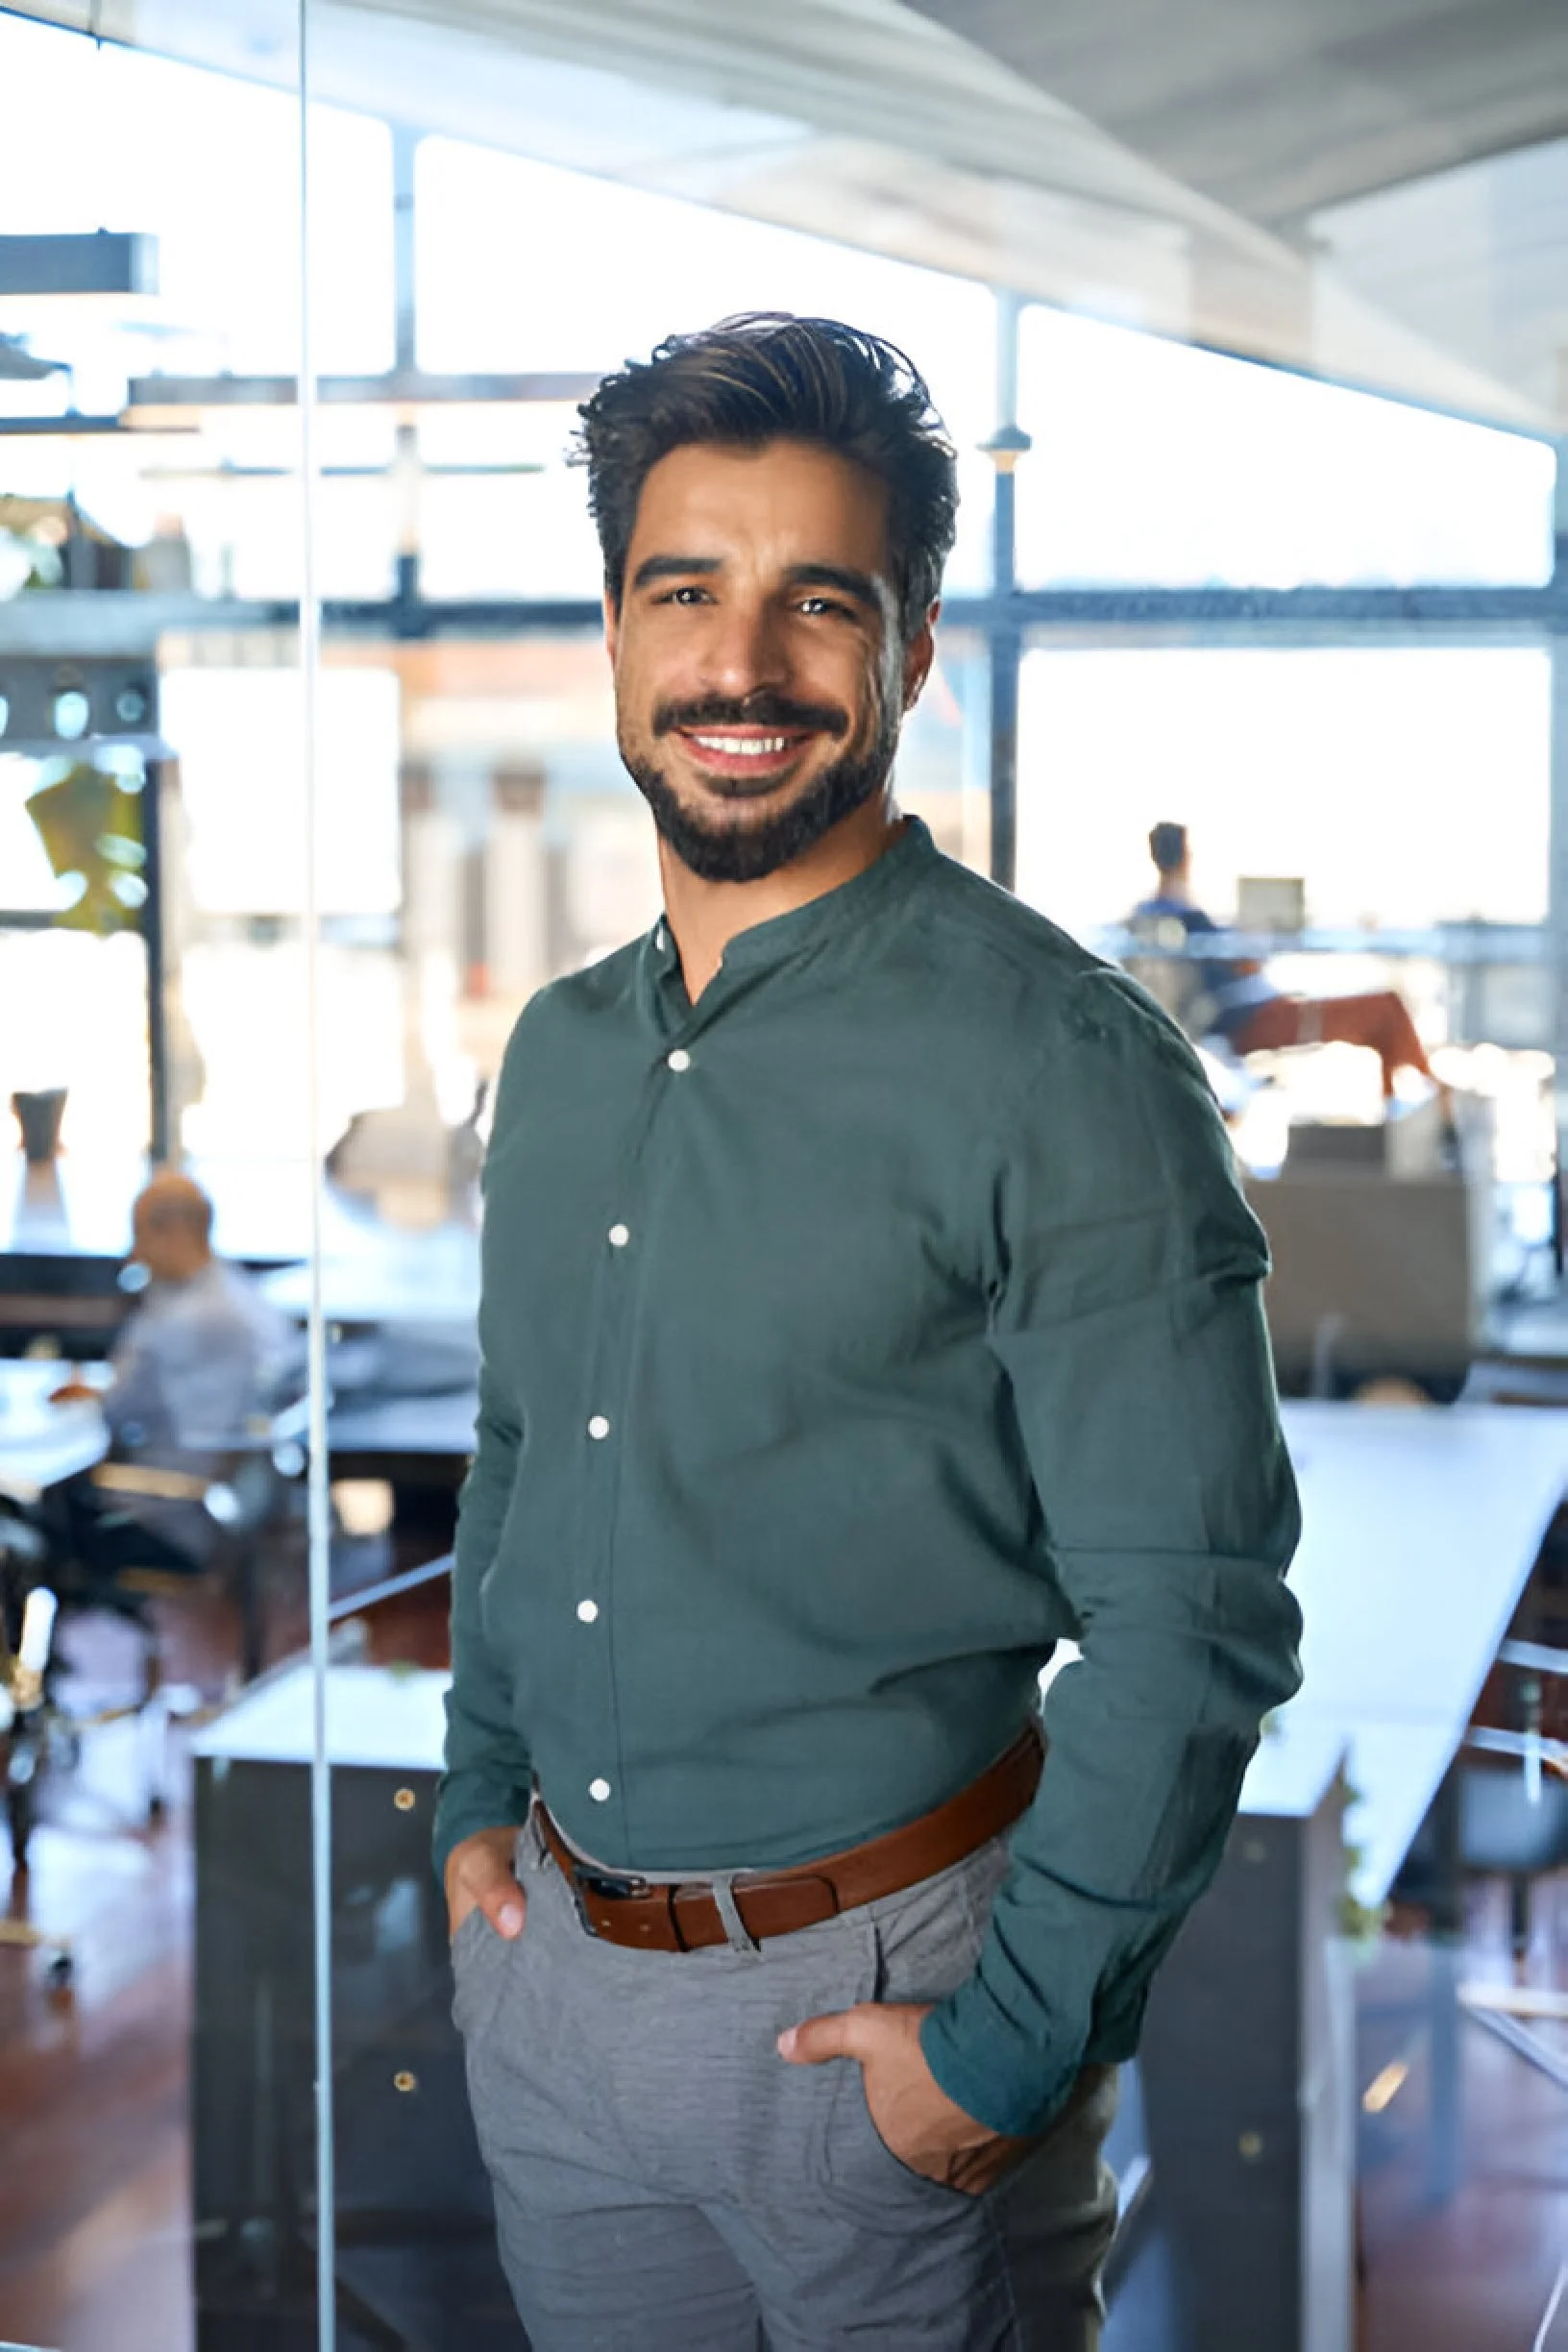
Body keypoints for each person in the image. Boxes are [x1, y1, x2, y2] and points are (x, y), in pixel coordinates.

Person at [436, 314, 1303, 2352]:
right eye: (687, 597)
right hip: (557, 1989)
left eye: (820, 605)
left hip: (887, 2009)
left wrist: (1002, 2053)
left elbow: (1197, 1614)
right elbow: (519, 1445)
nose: (742, 669)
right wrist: (480, 1784)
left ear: (911, 652)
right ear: (619, 635)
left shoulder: (1062, 1063)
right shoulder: (557, 1058)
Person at [46, 1170, 297, 1579]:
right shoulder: (242, 1298)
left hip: (166, 1509)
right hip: (226, 1502)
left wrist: (89, 1396)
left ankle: (69, 1638)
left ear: (177, 1232)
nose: (134, 1255)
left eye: (141, 1234)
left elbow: (117, 1410)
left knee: (34, 1522)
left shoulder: (182, 1319)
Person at [1134, 820, 1444, 1100]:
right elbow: (1240, 964)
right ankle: (1436, 1100)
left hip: (1247, 1013)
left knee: (1382, 1018)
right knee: (1386, 1009)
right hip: (1252, 1019)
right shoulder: (1187, 918)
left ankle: (1409, 1109)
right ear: (1186, 857)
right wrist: (1256, 941)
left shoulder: (1151, 916)